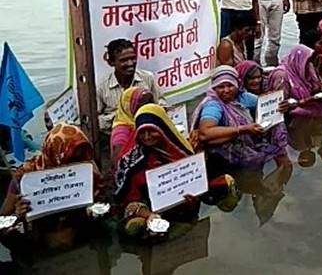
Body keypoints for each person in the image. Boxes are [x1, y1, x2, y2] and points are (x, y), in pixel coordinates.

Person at [115, 105, 240, 238]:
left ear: (162, 129)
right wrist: (148, 214)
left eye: (152, 131)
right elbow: (127, 199)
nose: (147, 137)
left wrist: (192, 198)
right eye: (142, 132)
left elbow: (195, 180)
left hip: (182, 206)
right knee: (133, 228)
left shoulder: (180, 151)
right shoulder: (132, 162)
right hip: (149, 210)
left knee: (223, 187)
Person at [1, 124, 105, 249]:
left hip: (78, 236)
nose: (75, 164)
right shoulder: (25, 178)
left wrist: (93, 207)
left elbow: (103, 206)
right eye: (70, 158)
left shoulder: (89, 171)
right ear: (54, 153)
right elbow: (2, 218)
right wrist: (18, 215)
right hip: (39, 238)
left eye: (80, 157)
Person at [191, 65, 288, 169]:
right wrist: (242, 129)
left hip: (242, 143)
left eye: (230, 85)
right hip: (221, 153)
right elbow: (204, 134)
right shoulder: (213, 105)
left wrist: (283, 105)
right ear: (214, 88)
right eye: (221, 87)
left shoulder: (242, 97)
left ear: (237, 85)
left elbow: (267, 104)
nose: (226, 90)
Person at [97, 39, 162, 137]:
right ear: (111, 62)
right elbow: (95, 122)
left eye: (133, 58)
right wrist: (120, 118)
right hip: (115, 138)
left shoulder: (148, 78)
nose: (130, 63)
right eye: (124, 60)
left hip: (146, 137)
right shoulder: (102, 87)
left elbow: (161, 105)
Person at [267, 44, 322, 118]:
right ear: (298, 60)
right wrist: (303, 102)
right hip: (293, 111)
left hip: (306, 103)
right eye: (306, 62)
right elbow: (280, 106)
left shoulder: (307, 69)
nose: (308, 65)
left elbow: (316, 87)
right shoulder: (282, 76)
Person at [111, 86, 154, 160]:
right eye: (143, 106)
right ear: (130, 107)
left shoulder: (145, 123)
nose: (148, 109)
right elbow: (118, 163)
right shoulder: (121, 134)